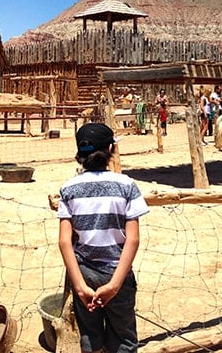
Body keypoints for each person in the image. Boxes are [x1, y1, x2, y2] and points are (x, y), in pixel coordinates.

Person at [58, 123, 150, 353]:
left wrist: (79, 285)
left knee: (90, 334)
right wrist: (115, 284)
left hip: (84, 273)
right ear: (111, 149)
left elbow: (64, 241)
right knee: (124, 337)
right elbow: (133, 239)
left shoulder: (68, 189)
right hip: (116, 271)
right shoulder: (127, 186)